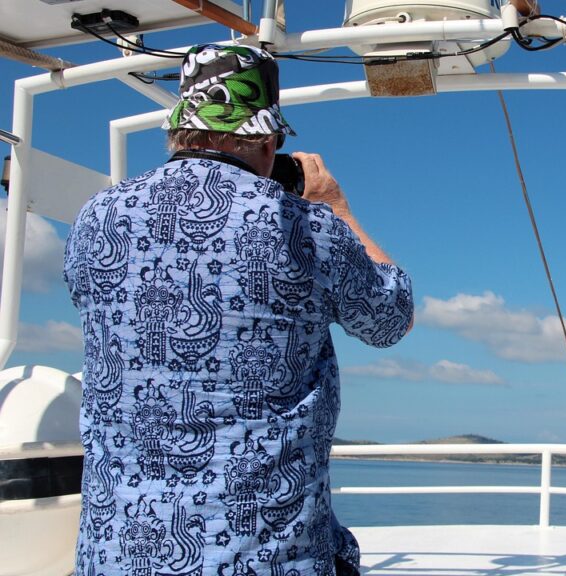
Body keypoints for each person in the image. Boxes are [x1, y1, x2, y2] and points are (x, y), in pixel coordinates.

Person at [63, 44, 413, 576]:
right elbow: (390, 317)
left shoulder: (96, 217)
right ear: (268, 140)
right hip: (265, 557)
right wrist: (336, 208)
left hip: (114, 555)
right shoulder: (305, 226)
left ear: (179, 131)